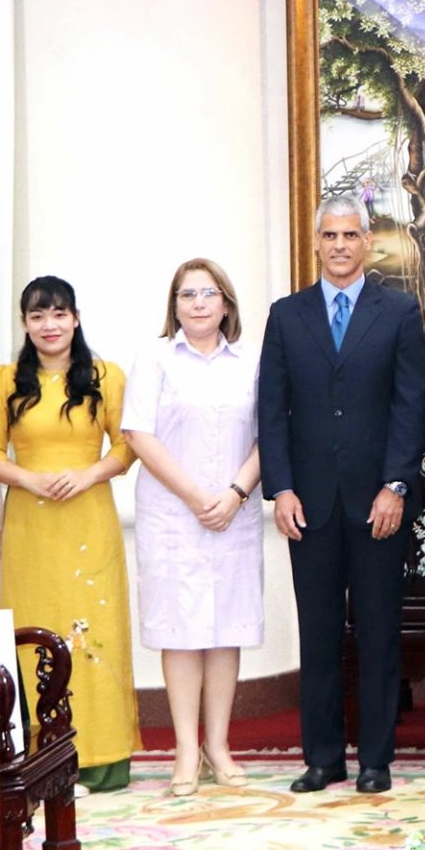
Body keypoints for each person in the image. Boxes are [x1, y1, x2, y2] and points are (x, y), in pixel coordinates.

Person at [259, 196, 425, 795]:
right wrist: (280, 488)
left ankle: (376, 760)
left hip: (378, 503)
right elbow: (271, 413)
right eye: (329, 235)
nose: (339, 245)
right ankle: (323, 758)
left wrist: (396, 484)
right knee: (320, 633)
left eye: (350, 235)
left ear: (368, 241)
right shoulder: (286, 315)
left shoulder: (400, 312)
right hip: (309, 505)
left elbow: (410, 407)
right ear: (317, 243)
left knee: (379, 634)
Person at [0, 277, 140, 793]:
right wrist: (27, 479)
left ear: (75, 318)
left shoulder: (104, 376)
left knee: (95, 631)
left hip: (89, 517)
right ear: (24, 323)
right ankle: (41, 758)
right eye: (37, 316)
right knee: (33, 635)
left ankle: (102, 759)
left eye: (59, 314)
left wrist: (88, 473)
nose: (49, 326)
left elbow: (128, 445)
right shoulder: (4, 380)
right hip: (30, 524)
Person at [122, 259, 263, 796]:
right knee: (180, 631)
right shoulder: (155, 358)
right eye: (187, 294)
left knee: (226, 630)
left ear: (226, 303)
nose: (198, 303)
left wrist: (234, 493)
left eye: (209, 293)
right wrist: (196, 495)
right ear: (174, 305)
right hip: (172, 515)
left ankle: (219, 746)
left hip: (235, 510)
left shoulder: (250, 361)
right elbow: (139, 434)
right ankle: (185, 749)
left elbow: (270, 433)